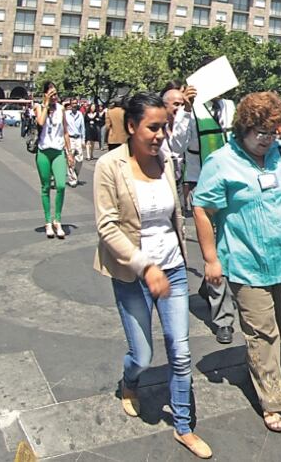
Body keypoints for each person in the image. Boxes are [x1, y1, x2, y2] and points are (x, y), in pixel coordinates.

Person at [93, 92, 212, 459]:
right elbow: (107, 227)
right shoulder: (109, 166)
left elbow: (173, 215)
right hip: (133, 275)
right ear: (132, 127)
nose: (160, 135)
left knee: (180, 351)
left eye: (164, 127)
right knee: (142, 355)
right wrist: (145, 266)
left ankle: (183, 426)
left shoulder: (166, 161)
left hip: (173, 270)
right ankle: (129, 382)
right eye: (153, 127)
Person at [193, 91, 281, 434]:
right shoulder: (221, 161)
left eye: (273, 132)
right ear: (243, 128)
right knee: (263, 331)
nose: (267, 140)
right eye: (261, 133)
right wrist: (210, 259)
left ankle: (258, 361)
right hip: (245, 261)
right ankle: (273, 401)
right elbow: (202, 207)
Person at [185, 94, 237, 344]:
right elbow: (184, 145)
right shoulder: (193, 109)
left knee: (225, 245)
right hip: (204, 183)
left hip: (231, 182)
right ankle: (223, 318)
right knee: (213, 252)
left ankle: (210, 287)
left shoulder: (229, 106)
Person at [34, 82, 75, 239]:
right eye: (51, 94)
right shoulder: (39, 107)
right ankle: (48, 221)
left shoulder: (61, 109)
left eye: (56, 94)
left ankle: (57, 220)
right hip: (43, 151)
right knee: (45, 187)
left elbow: (65, 131)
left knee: (60, 185)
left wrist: (69, 152)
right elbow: (41, 122)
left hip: (58, 152)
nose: (55, 97)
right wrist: (45, 104)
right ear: (45, 94)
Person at [65, 99, 86, 187]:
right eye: (72, 103)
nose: (74, 105)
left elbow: (82, 127)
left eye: (75, 103)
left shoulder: (80, 114)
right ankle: (72, 179)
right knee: (70, 159)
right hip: (70, 138)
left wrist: (83, 140)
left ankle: (75, 174)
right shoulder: (66, 114)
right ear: (70, 105)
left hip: (78, 138)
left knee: (80, 159)